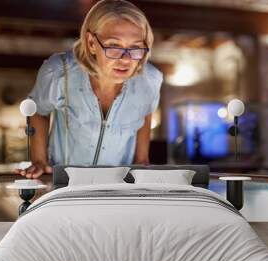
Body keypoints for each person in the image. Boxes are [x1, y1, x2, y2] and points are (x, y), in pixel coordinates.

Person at [17, 0, 163, 179]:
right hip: (65, 186)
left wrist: (142, 160)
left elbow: (146, 112)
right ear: (91, 42)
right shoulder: (58, 72)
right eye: (114, 46)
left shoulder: (151, 80)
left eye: (135, 47)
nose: (125, 59)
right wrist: (39, 160)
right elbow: (38, 110)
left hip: (117, 188)